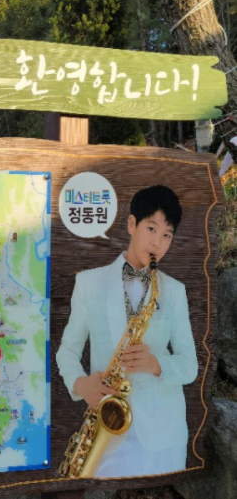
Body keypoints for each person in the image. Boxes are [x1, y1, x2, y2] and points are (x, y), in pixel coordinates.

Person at [56, 184, 198, 477]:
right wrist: (81, 385)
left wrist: (157, 364)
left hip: (163, 437)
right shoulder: (89, 283)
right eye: (151, 228)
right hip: (106, 437)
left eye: (167, 235)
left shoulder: (174, 291)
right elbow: (67, 351)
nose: (158, 242)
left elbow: (190, 366)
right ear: (132, 224)